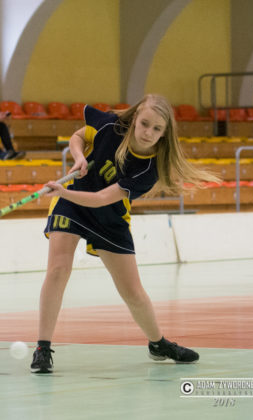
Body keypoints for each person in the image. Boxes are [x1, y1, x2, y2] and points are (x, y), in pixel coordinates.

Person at [31, 95, 220, 373]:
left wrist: (61, 191)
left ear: (164, 133)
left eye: (157, 129)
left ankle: (158, 343)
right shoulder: (111, 127)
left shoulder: (149, 168)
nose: (148, 133)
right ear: (134, 120)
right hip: (71, 204)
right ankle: (42, 348)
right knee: (58, 270)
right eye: (144, 124)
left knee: (132, 291)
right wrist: (80, 157)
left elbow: (101, 198)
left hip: (108, 215)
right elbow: (78, 136)